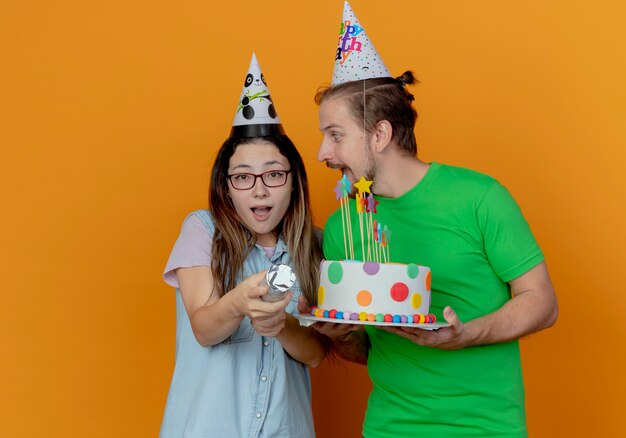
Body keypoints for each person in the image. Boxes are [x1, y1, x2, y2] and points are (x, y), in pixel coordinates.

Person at [302, 2, 559, 437]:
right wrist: (341, 335)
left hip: (484, 427)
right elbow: (368, 351)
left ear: (380, 135)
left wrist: (465, 334)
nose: (323, 154)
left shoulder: (479, 197)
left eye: (336, 135)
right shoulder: (345, 227)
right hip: (389, 426)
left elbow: (543, 302)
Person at [160, 53, 326, 438]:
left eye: (273, 174)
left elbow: (316, 353)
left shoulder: (313, 245)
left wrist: (279, 325)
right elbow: (203, 328)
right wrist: (240, 302)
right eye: (243, 177)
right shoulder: (202, 229)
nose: (260, 189)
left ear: (294, 181)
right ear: (226, 187)